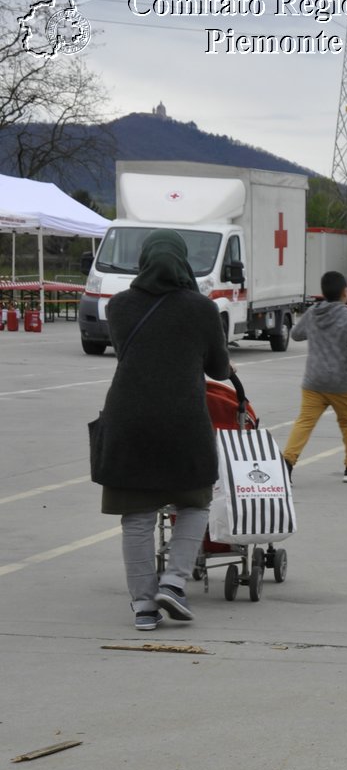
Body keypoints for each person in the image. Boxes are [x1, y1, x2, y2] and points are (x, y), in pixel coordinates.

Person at [93, 230, 232, 631]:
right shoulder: (201, 308)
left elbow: (133, 354)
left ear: (144, 260)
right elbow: (217, 369)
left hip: (128, 421)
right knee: (195, 503)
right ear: (182, 261)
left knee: (136, 515)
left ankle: (143, 607)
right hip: (183, 422)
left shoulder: (118, 307)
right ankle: (173, 581)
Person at [281, 272, 347, 483]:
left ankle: (287, 463)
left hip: (313, 380)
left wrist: (316, 330)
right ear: (345, 292)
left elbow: (297, 334)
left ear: (323, 293)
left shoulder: (312, 313)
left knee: (305, 422)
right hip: (340, 383)